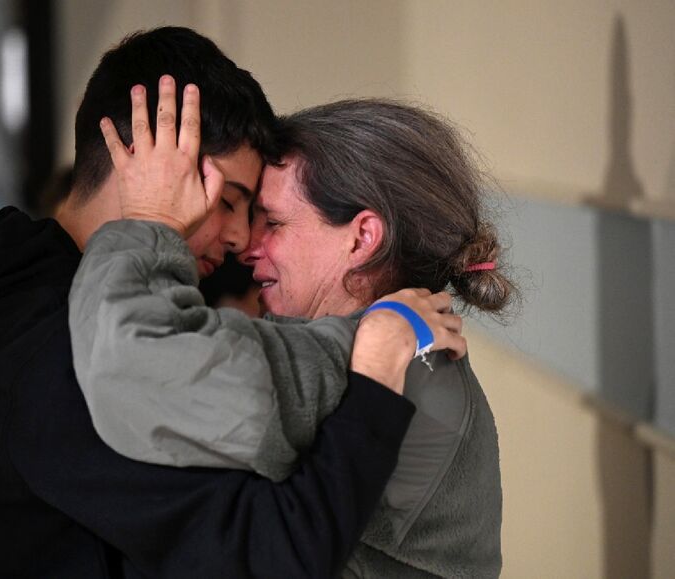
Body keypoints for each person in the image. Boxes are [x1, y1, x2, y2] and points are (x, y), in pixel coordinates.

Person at [0, 27, 464, 578]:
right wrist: (373, 377)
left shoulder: (12, 292)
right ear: (147, 162)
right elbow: (270, 556)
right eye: (229, 201)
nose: (240, 239)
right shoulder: (73, 354)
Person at [71, 98, 516, 577]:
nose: (247, 246)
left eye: (274, 223)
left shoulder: (362, 355)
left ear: (362, 238)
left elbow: (132, 359)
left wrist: (148, 218)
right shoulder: (419, 357)